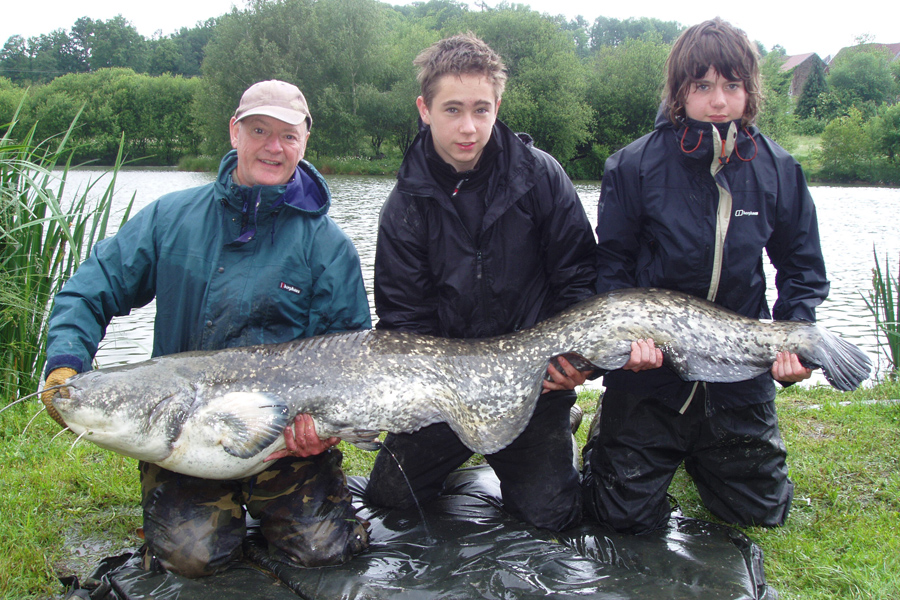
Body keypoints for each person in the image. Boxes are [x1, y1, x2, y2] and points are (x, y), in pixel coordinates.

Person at [40, 80, 371, 577]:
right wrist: (66, 363)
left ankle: (303, 509)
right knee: (191, 558)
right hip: (184, 438)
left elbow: (352, 355)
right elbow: (89, 289)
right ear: (234, 131)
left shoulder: (329, 247)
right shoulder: (170, 219)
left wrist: (326, 432)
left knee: (324, 553)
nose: (273, 147)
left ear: (305, 142)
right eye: (259, 130)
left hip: (287, 445)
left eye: (288, 135)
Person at [582, 18, 829, 534]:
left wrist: (796, 335)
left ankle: (708, 456)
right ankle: (611, 428)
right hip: (650, 380)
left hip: (741, 380)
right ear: (680, 92)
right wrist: (627, 345)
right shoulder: (632, 166)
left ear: (749, 90)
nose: (719, 100)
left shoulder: (779, 170)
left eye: (732, 85)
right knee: (618, 518)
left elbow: (802, 267)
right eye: (703, 86)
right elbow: (613, 269)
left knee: (761, 514)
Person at [364, 32, 612, 532]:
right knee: (388, 500)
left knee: (551, 519)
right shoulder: (404, 206)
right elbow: (403, 322)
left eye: (481, 109)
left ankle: (566, 421)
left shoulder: (542, 177)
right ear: (424, 109)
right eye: (452, 109)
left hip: (534, 385)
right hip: (445, 396)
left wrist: (575, 364)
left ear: (498, 106)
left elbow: (579, 279)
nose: (468, 127)